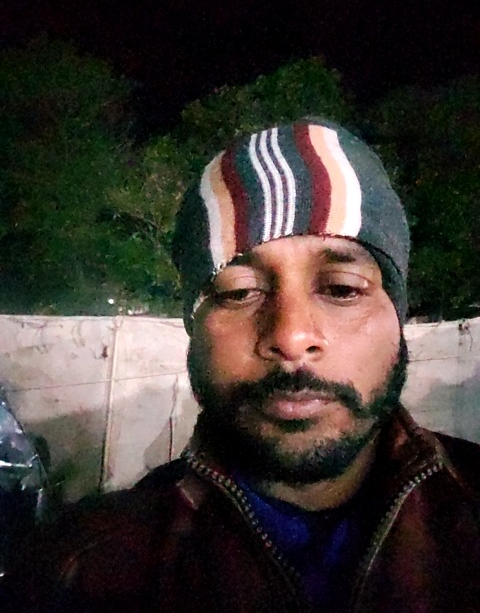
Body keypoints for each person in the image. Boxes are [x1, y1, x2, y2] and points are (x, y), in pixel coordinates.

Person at [18, 118, 480, 612]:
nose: (291, 336)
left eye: (342, 288)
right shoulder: (79, 572)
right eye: (239, 292)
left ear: (397, 318)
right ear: (194, 328)